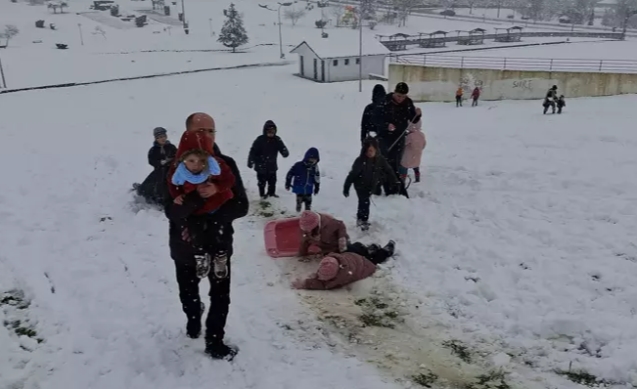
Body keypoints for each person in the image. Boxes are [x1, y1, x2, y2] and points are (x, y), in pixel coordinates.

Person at [164, 112, 248, 361]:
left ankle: (215, 341)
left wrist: (217, 200)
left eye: (212, 131)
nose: (207, 136)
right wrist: (196, 198)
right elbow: (171, 211)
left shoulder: (225, 165)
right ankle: (192, 316)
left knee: (220, 296)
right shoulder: (175, 168)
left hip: (219, 244)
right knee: (188, 295)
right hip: (185, 247)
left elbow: (241, 206)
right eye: (201, 131)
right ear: (189, 134)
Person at [291, 241, 396, 290]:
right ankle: (368, 251)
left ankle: (385, 251)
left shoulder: (340, 277)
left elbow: (323, 285)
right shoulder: (333, 258)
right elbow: (324, 274)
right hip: (353, 257)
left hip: (364, 265)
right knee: (355, 247)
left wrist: (305, 283)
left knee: (374, 259)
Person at [343, 138, 399, 231]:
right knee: (364, 202)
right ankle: (362, 220)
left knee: (365, 202)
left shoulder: (380, 159)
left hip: (371, 185)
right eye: (367, 151)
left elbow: (388, 170)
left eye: (371, 150)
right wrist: (346, 187)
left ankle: (362, 218)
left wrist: (395, 181)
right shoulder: (360, 161)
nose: (369, 153)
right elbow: (352, 175)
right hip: (360, 185)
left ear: (376, 150)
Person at [380, 82, 416, 197]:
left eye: (403, 96)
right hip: (384, 137)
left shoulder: (408, 103)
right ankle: (389, 189)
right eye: (398, 96)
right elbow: (376, 119)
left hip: (399, 137)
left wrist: (418, 114)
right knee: (386, 163)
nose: (401, 99)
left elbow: (413, 119)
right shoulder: (385, 101)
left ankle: (395, 189)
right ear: (394, 92)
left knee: (396, 163)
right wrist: (386, 125)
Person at [133, 127, 177, 207]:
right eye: (159, 137)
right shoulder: (153, 150)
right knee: (156, 186)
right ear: (156, 139)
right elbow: (151, 161)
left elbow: (177, 156)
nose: (162, 139)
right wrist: (160, 162)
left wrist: (172, 161)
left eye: (163, 136)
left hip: (170, 171)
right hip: (159, 172)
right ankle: (158, 199)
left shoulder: (171, 147)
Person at [247, 120, 290, 199]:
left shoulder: (277, 140)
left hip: (272, 166)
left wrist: (284, 152)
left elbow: (283, 149)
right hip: (260, 166)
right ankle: (262, 195)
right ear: (265, 131)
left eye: (273, 131)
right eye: (269, 131)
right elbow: (252, 151)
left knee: (272, 182)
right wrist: (250, 161)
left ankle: (271, 194)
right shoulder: (260, 140)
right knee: (261, 183)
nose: (271, 133)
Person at [285, 147, 320, 212]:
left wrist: (317, 187)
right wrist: (288, 183)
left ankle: (307, 216)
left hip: (308, 190)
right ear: (307, 157)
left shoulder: (315, 168)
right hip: (299, 189)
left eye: (315, 159)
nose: (312, 161)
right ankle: (297, 215)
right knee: (299, 203)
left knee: (308, 206)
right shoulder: (298, 165)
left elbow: (317, 178)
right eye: (311, 159)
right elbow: (290, 174)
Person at [399, 107, 426, 184]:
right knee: (416, 166)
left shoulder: (409, 136)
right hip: (417, 155)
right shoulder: (421, 135)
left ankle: (403, 179)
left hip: (408, 155)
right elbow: (424, 144)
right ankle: (417, 177)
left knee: (404, 166)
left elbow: (404, 144)